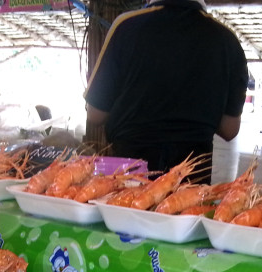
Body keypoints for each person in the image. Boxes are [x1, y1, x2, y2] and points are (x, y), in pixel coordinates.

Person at [84, 0, 249, 183]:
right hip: (191, 178)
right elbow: (229, 129)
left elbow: (95, 114)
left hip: (131, 174)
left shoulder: (127, 26)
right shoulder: (227, 40)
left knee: (127, 212)